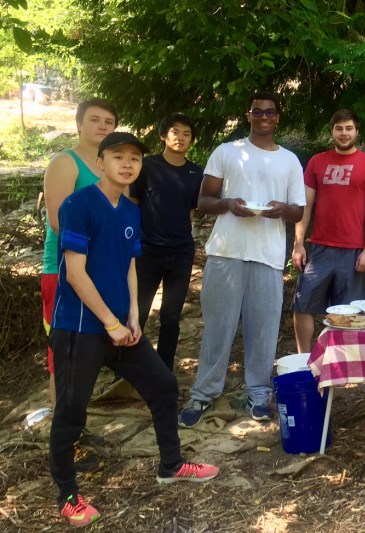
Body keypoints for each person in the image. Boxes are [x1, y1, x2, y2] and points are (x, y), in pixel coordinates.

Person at [49, 132, 218, 527]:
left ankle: (171, 465)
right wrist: (109, 322)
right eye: (118, 157)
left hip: (120, 329)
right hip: (79, 327)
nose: (127, 164)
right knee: (71, 412)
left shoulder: (129, 210)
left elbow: (129, 265)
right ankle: (68, 496)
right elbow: (75, 274)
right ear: (100, 163)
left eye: (135, 159)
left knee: (164, 385)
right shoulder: (78, 205)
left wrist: (132, 317)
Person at [178, 92, 305, 428]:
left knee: (263, 331)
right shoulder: (227, 152)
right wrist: (228, 204)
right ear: (248, 115)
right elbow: (204, 200)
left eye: (270, 112)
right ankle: (203, 394)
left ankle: (259, 395)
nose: (264, 117)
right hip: (226, 252)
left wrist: (281, 209)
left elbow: (298, 211)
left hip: (268, 256)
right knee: (217, 328)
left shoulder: (290, 161)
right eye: (257, 112)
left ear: (278, 118)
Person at [42, 99, 117, 408]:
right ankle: (61, 424)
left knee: (88, 347)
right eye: (95, 120)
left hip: (99, 271)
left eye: (109, 122)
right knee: (63, 350)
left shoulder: (112, 165)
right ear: (79, 124)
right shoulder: (65, 162)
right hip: (62, 270)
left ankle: (75, 421)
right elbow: (58, 220)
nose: (102, 126)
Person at [291, 109, 365, 352]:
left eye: (349, 128)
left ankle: (341, 362)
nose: (344, 133)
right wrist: (298, 243)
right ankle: (304, 359)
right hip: (319, 249)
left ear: (357, 132)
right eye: (339, 128)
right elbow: (305, 205)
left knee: (350, 313)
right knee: (302, 306)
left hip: (353, 252)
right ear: (332, 132)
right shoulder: (317, 162)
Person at [130, 113, 204, 371]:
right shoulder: (147, 166)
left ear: (192, 140)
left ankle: (163, 373)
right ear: (163, 135)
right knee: (138, 312)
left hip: (181, 252)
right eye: (175, 132)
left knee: (171, 316)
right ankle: (132, 371)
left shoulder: (196, 172)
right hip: (147, 251)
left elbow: (191, 210)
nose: (180, 138)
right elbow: (133, 204)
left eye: (186, 134)